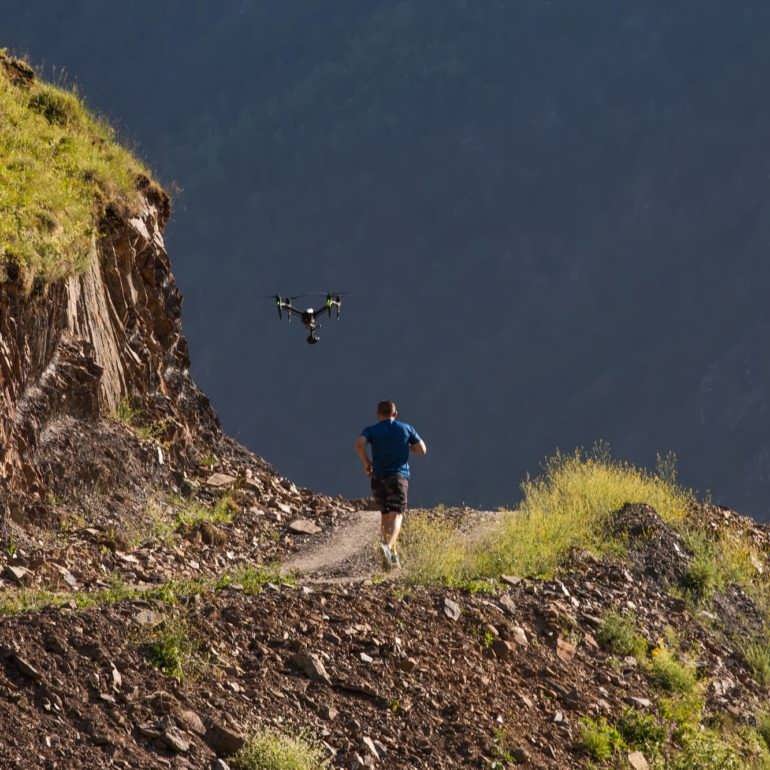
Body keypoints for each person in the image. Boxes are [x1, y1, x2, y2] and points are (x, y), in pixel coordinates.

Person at [355, 400, 427, 569]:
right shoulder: (406, 428)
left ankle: (391, 559)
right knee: (397, 514)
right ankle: (387, 547)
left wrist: (366, 463)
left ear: (378, 414)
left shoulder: (371, 430)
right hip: (398, 477)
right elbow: (422, 450)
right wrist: (409, 447)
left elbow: (359, 443)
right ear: (395, 413)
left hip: (377, 477)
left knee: (385, 514)